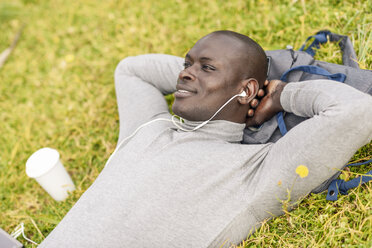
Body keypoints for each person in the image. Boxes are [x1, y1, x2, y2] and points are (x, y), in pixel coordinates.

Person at [39, 31, 372, 247]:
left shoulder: (255, 171)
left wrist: (282, 94)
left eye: (207, 68)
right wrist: (204, 81)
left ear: (247, 90)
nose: (185, 72)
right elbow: (131, 69)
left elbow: (357, 111)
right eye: (187, 64)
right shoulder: (149, 129)